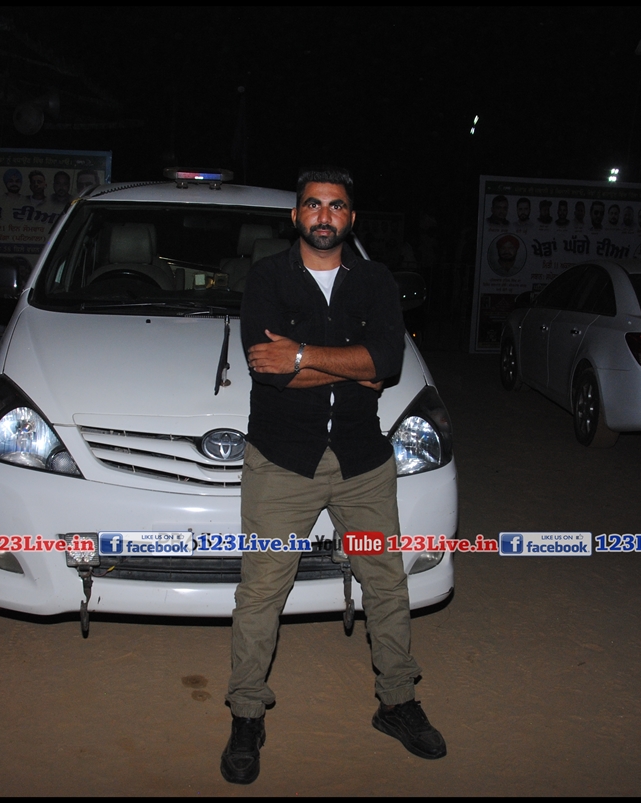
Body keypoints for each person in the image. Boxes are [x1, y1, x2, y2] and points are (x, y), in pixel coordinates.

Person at [223, 167, 445, 786]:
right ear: (296, 216)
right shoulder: (267, 278)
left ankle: (397, 702)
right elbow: (268, 371)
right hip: (281, 461)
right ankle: (246, 714)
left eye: (337, 206)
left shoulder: (375, 280)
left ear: (351, 218)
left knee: (387, 583)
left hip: (362, 463)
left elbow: (389, 361)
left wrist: (301, 354)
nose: (325, 215)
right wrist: (354, 367)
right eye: (314, 205)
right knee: (261, 591)